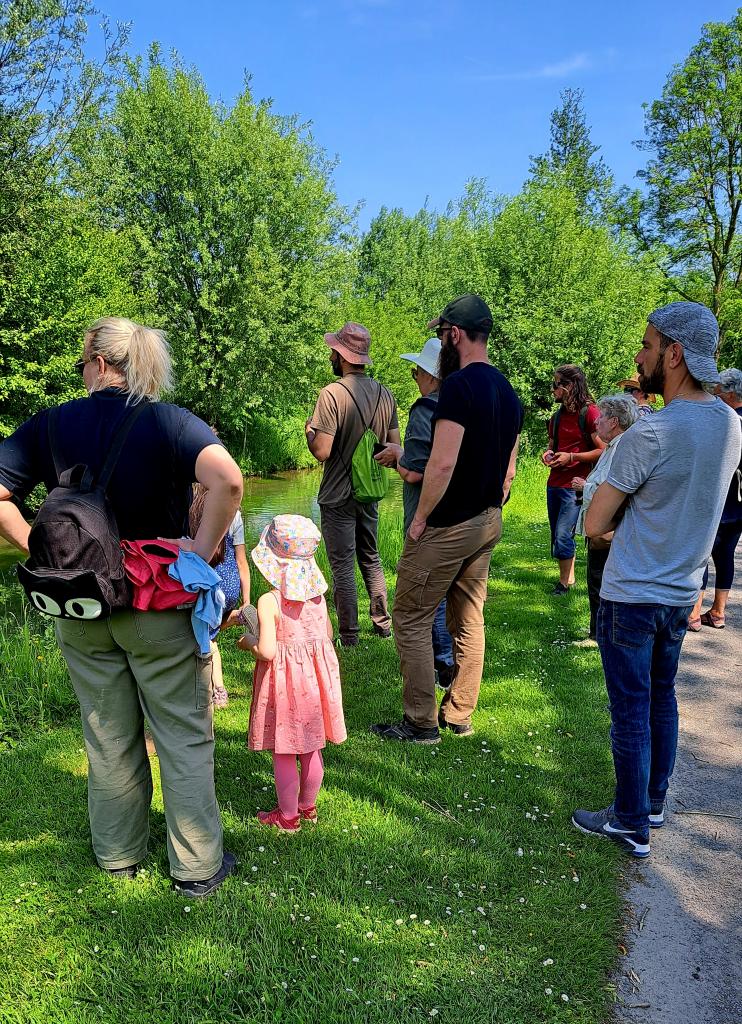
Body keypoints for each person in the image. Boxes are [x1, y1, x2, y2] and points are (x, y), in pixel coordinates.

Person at [0, 317, 244, 897]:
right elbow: (229, 482)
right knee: (183, 733)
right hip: (154, 602)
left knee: (107, 732)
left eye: (83, 362)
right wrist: (200, 554)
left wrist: (38, 542)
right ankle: (195, 867)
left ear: (97, 362)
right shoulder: (166, 420)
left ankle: (117, 857)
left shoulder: (53, 423)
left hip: (80, 602)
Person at [573, 302, 741, 857]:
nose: (639, 356)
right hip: (680, 595)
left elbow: (595, 527)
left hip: (633, 593)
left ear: (674, 354)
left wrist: (629, 526)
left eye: (647, 345)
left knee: (629, 708)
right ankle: (653, 802)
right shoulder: (730, 424)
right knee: (661, 700)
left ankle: (629, 821)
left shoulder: (654, 433)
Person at [372, 294, 523, 743]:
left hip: (449, 524)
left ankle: (419, 722)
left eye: (441, 335)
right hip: (486, 520)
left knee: (411, 617)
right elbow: (510, 467)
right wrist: (493, 502)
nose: (440, 343)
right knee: (469, 616)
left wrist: (420, 519)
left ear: (454, 335)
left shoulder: (457, 388)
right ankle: (458, 714)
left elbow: (440, 464)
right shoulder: (506, 390)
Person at [242, 514, 347, 832]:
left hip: (285, 688)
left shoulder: (268, 601)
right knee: (312, 748)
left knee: (285, 751)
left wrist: (248, 642)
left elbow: (268, 651)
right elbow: (326, 636)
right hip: (314, 685)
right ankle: (308, 808)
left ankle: (288, 818)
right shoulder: (317, 598)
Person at [305, 322, 400, 646]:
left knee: (343, 565)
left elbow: (322, 451)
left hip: (337, 495)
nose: (331, 354)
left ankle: (349, 635)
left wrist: (309, 431)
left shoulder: (331, 395)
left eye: (333, 350)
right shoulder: (386, 394)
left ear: (342, 355)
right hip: (370, 491)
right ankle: (383, 623)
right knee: (370, 557)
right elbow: (393, 447)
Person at [374, 336, 455, 688]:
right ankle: (453, 668)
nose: (414, 377)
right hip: (459, 515)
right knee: (454, 597)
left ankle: (441, 666)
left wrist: (396, 457)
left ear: (429, 375)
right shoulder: (462, 405)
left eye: (416, 371)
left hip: (429, 515)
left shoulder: (426, 408)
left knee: (424, 601)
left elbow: (417, 469)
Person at [571, 394, 639, 648]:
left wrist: (584, 486)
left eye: (601, 417)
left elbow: (613, 489)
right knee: (597, 579)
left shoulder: (622, 447)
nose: (596, 421)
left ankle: (600, 635)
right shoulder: (615, 446)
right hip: (603, 527)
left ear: (614, 421)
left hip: (607, 529)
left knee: (601, 581)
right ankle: (598, 632)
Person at [540, 366, 605, 595]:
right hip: (554, 483)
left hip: (575, 485)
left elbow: (604, 449)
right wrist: (548, 455)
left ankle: (564, 584)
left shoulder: (590, 414)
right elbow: (552, 446)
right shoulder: (556, 417)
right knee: (558, 535)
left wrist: (573, 457)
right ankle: (570, 578)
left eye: (556, 384)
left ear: (569, 387)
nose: (552, 390)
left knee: (562, 534)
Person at [688, 367, 742, 630]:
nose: (715, 395)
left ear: (729, 393)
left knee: (702, 552)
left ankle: (694, 614)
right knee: (726, 555)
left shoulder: (724, 420)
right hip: (740, 503)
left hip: (718, 497)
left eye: (718, 390)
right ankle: (718, 613)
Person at [190, 489, 251, 707]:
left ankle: (217, 690)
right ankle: (236, 615)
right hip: (231, 584)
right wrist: (246, 600)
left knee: (208, 639)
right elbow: (242, 562)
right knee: (209, 631)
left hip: (210, 586)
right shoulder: (234, 513)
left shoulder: (192, 508)